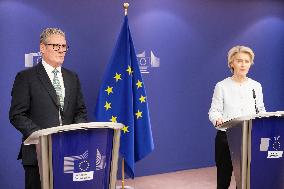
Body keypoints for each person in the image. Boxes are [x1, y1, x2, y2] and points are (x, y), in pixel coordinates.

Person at [9, 28, 88, 189]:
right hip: (38, 155)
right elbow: (17, 115)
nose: (61, 50)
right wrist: (44, 137)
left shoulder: (72, 77)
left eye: (64, 46)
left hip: (69, 154)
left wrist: (75, 134)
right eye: (55, 46)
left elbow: (80, 111)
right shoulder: (26, 77)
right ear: (42, 48)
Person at [208, 45, 266, 189]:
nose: (243, 64)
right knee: (223, 178)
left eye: (247, 61)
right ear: (231, 63)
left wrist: (265, 119)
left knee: (247, 179)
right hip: (226, 137)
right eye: (239, 61)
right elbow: (214, 111)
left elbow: (261, 110)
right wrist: (217, 118)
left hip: (250, 137)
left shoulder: (256, 86)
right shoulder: (222, 86)